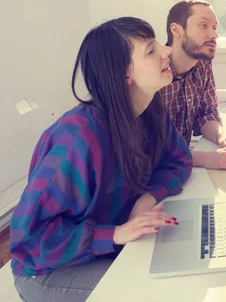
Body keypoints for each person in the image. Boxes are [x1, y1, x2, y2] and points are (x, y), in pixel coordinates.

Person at [10, 17, 193, 301]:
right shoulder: (78, 139)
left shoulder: (150, 110)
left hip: (101, 250)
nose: (166, 51)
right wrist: (116, 234)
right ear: (124, 74)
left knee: (180, 271)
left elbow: (179, 160)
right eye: (150, 50)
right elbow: (29, 240)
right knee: (156, 293)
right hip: (47, 271)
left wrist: (145, 199)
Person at [161, 0, 226, 171]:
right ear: (176, 29)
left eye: (215, 27)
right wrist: (201, 158)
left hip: (180, 169)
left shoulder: (201, 62)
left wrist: (220, 137)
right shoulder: (153, 71)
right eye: (203, 25)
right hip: (151, 176)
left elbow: (206, 112)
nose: (214, 35)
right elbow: (141, 150)